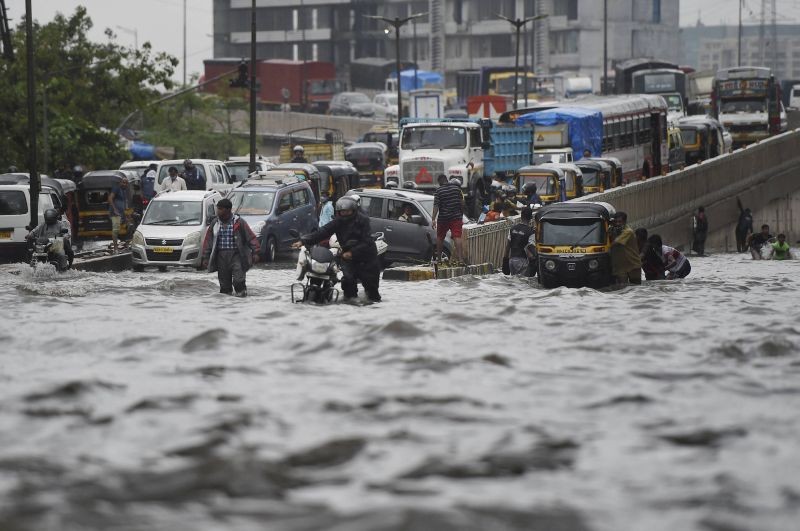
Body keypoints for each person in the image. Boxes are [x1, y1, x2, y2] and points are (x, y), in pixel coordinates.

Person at [292, 196, 381, 302]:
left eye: (347, 211)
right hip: (348, 257)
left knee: (372, 289)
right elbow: (323, 232)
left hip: (367, 257)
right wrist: (304, 241)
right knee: (348, 282)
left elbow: (367, 241)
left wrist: (352, 253)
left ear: (353, 210)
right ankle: (350, 305)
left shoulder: (363, 220)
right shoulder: (338, 221)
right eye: (342, 211)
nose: (344, 213)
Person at [200, 198, 260, 297]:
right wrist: (205, 257)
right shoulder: (215, 223)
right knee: (224, 285)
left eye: (220, 209)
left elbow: (251, 237)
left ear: (227, 210)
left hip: (237, 255)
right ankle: (226, 306)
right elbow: (208, 241)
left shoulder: (239, 222)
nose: (217, 211)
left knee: (238, 280)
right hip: (221, 256)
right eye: (217, 208)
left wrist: (256, 252)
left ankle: (242, 299)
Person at [432, 174, 466, 264]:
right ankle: (461, 260)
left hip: (443, 218)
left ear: (439, 181)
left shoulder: (438, 191)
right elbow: (462, 203)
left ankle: (439, 260)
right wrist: (461, 214)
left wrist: (433, 219)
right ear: (446, 180)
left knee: (440, 238)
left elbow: (436, 206)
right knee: (457, 237)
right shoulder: (457, 189)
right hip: (456, 217)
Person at [609, 211, 642, 285]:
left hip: (633, 264)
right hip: (620, 266)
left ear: (625, 221)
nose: (617, 224)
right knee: (623, 289)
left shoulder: (628, 232)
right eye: (616, 222)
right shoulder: (612, 230)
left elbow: (615, 243)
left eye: (620, 222)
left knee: (636, 287)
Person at [505, 206, 536, 276]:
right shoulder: (530, 231)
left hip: (511, 261)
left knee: (514, 281)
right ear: (531, 218)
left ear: (521, 216)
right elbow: (531, 246)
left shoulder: (512, 229)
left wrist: (505, 260)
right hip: (522, 261)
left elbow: (507, 247)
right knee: (523, 283)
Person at [108, 177, 129, 254]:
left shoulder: (123, 191)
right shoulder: (116, 188)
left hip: (120, 213)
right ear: (120, 182)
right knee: (115, 230)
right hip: (115, 213)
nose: (125, 184)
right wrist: (115, 210)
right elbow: (110, 198)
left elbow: (122, 204)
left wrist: (125, 215)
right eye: (123, 182)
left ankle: (121, 246)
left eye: (126, 183)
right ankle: (115, 249)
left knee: (125, 228)